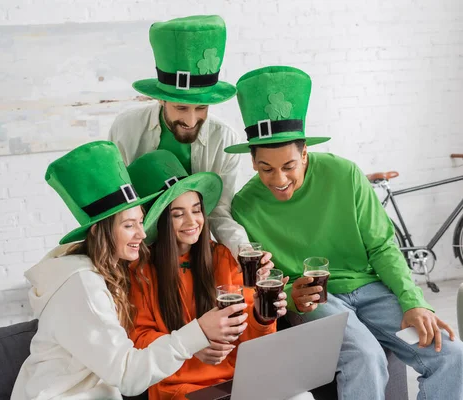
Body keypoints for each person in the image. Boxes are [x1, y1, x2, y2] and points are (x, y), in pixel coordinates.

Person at [229, 66, 463, 399]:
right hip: (317, 301)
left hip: (371, 290)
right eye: (266, 168)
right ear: (253, 162)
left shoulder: (344, 174)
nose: (278, 179)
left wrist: (414, 302)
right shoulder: (245, 207)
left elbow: (382, 246)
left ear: (305, 153)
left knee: (451, 355)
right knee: (364, 356)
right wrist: (293, 292)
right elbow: (266, 278)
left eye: (288, 166)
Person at [10, 141, 248, 400]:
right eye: (129, 226)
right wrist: (199, 332)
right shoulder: (82, 287)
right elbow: (129, 377)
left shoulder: (101, 275)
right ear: (99, 231)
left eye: (140, 222)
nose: (142, 233)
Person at [126, 150, 312, 400]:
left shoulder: (224, 257)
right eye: (177, 214)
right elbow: (139, 340)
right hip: (179, 388)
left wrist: (262, 316)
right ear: (158, 220)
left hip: (236, 383)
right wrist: (192, 346)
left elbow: (251, 341)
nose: (192, 221)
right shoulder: (140, 271)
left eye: (196, 210)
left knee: (302, 396)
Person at [109, 15, 251, 258]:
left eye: (201, 108)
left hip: (194, 250)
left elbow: (218, 212)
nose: (191, 120)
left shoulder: (225, 138)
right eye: (181, 108)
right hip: (138, 248)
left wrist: (244, 251)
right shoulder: (126, 128)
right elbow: (118, 204)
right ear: (161, 98)